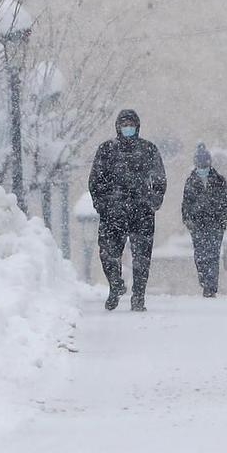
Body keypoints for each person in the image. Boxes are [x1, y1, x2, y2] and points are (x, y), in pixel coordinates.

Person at [87, 108, 166, 311]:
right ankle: (115, 284)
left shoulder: (148, 149)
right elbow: (95, 180)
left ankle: (138, 296)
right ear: (118, 127)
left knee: (142, 256)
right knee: (107, 252)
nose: (128, 128)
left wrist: (153, 200)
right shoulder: (107, 150)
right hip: (113, 211)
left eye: (131, 125)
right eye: (124, 125)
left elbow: (159, 178)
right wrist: (102, 203)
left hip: (141, 210)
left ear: (137, 127)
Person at [180, 144, 227, 298]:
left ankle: (211, 285)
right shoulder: (190, 181)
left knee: (213, 254)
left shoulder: (219, 180)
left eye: (205, 163)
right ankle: (204, 279)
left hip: (215, 223)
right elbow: (186, 203)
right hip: (197, 224)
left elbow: (226, 202)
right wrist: (187, 219)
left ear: (210, 162)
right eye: (200, 163)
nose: (203, 166)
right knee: (200, 254)